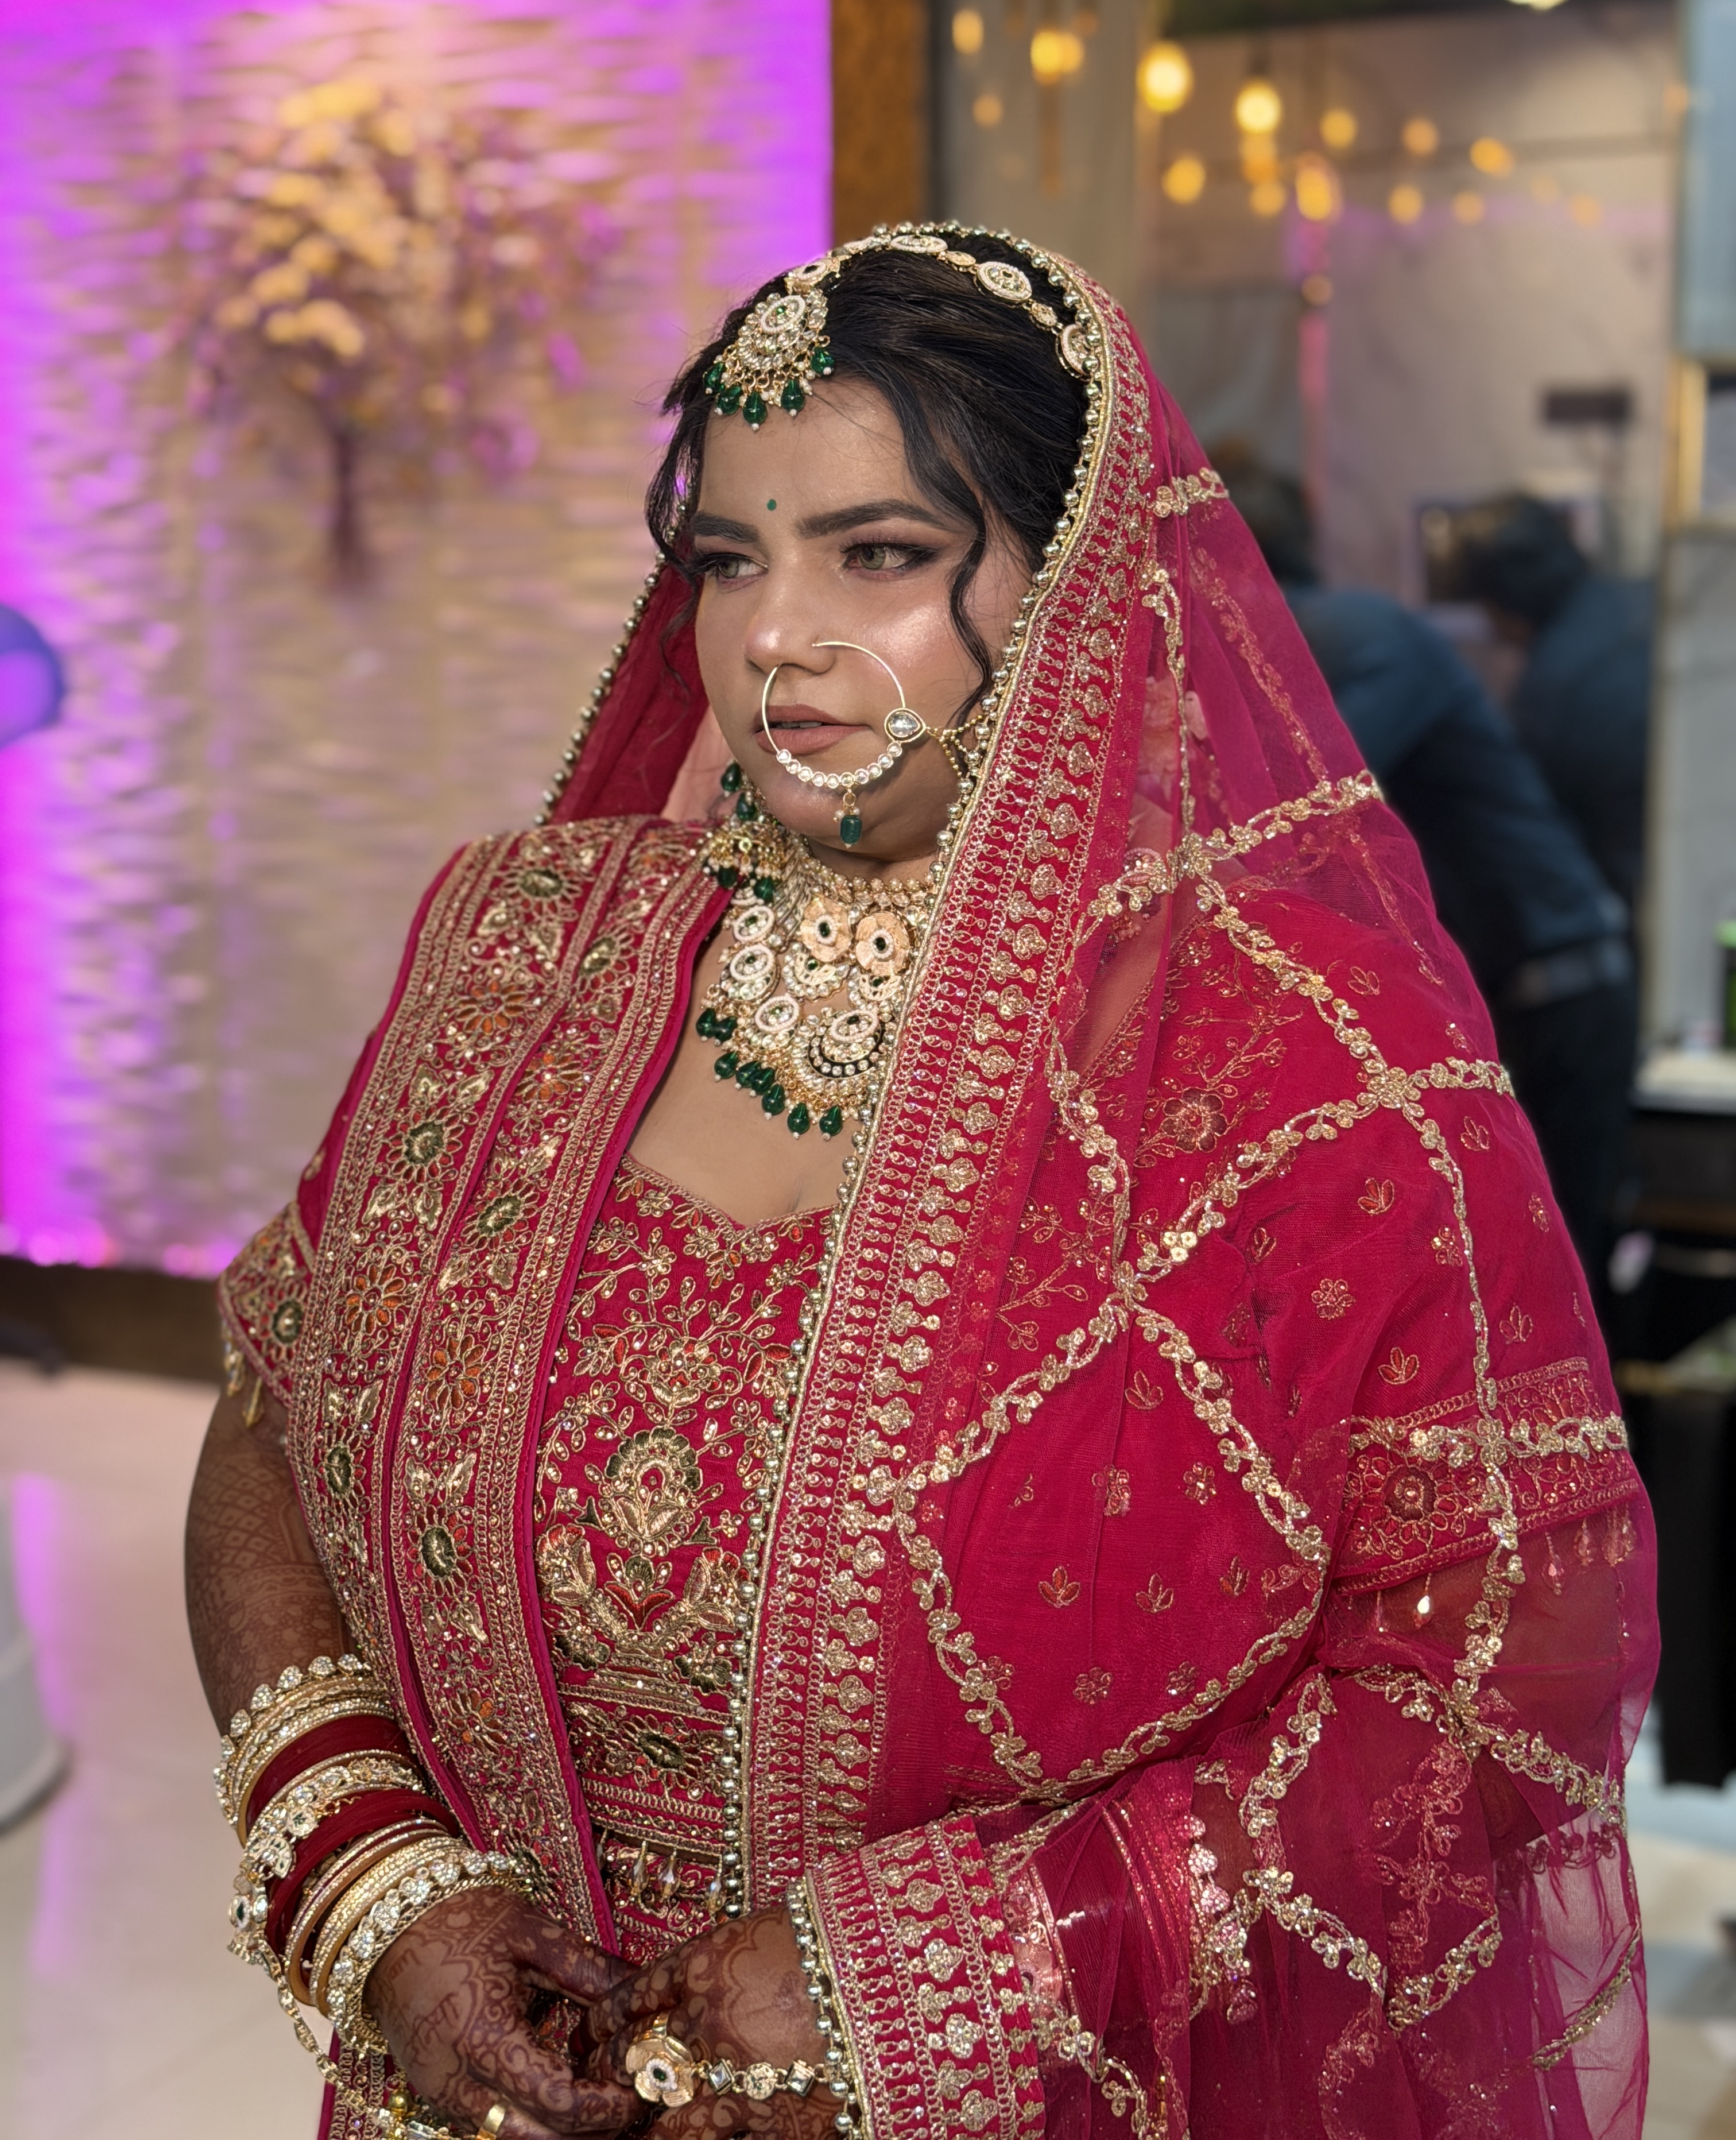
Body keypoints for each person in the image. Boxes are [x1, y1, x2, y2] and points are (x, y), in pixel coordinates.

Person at [187, 229, 1654, 2140]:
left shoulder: (1300, 1066)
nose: (771, 636)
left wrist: (942, 1979)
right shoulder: (516, 949)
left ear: (1079, 586)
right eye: (727, 557)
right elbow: (274, 1417)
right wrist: (379, 1882)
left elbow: (1506, 1672)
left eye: (875, 554)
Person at [1216, 450, 1635, 1276]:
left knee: (1553, 1275)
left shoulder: (1356, 635)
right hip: (1525, 989)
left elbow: (1296, 806)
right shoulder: (1337, 638)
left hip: (1561, 992)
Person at [1454, 493, 1652, 919]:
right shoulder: (1655, 595)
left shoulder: (1545, 697)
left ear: (1502, 605)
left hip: (1649, 897)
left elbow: (1550, 845)